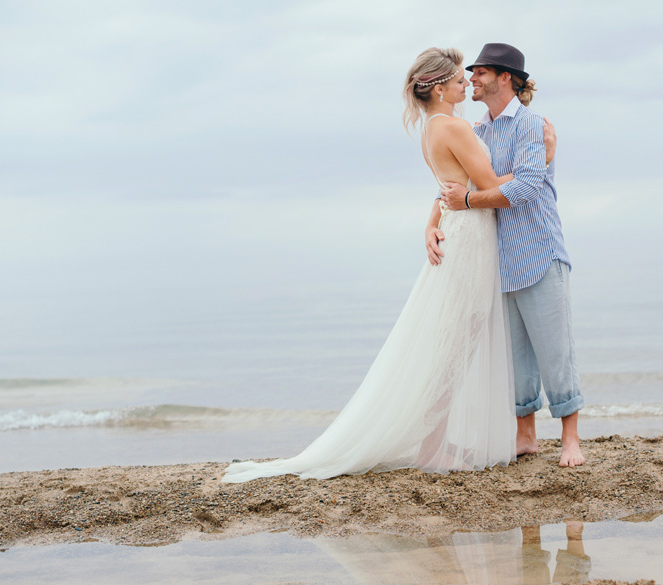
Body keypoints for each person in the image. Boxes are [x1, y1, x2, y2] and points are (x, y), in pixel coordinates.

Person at [222, 47, 519, 483]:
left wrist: (433, 220)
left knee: (454, 342)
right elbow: (491, 186)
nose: (465, 83)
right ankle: (433, 445)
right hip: (471, 238)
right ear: (439, 88)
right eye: (458, 79)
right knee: (457, 343)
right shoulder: (454, 127)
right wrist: (537, 166)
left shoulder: (433, 128)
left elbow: (449, 190)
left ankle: (434, 439)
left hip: (461, 231)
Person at [435, 43, 585, 467]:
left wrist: (469, 201)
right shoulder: (477, 132)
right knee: (516, 358)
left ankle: (570, 439)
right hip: (498, 260)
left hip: (539, 252)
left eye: (480, 72)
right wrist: (433, 222)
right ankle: (526, 436)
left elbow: (524, 189)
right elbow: (453, 185)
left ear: (506, 78)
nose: (472, 79)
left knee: (555, 350)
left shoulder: (533, 124)